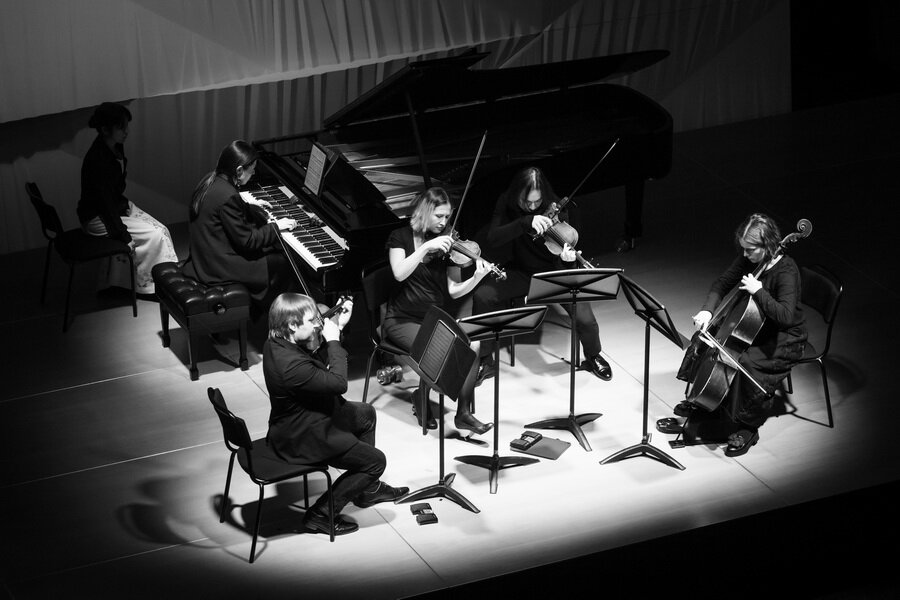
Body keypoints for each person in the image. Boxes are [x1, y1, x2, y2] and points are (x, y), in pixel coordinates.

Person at [263, 293, 408, 535]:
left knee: (366, 414)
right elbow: (339, 383)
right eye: (312, 320)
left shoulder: (276, 342)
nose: (317, 325)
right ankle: (320, 514)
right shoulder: (291, 366)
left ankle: (367, 490)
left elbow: (312, 364)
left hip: (306, 416)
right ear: (292, 325)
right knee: (376, 462)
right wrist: (333, 340)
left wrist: (337, 326)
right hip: (303, 435)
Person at [670, 213, 808, 456]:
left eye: (750, 250)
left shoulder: (787, 271)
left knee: (747, 362)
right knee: (707, 338)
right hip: (753, 328)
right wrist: (707, 310)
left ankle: (748, 427)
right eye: (743, 248)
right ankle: (708, 403)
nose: (745, 254)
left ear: (768, 245)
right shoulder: (752, 259)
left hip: (783, 338)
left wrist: (760, 291)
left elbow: (786, 316)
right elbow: (722, 283)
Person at [472, 166, 613, 380]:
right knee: (483, 296)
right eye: (526, 202)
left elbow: (564, 246)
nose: (531, 206)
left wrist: (566, 260)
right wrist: (524, 222)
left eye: (536, 202)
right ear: (517, 194)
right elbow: (493, 238)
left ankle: (593, 356)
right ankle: (485, 360)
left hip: (554, 272)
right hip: (522, 271)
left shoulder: (554, 206)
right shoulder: (507, 202)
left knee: (585, 318)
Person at [383, 187, 494, 435]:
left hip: (434, 319)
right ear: (425, 212)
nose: (444, 222)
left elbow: (454, 291)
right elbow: (399, 273)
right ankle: (421, 396)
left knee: (473, 344)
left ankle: (463, 414)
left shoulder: (447, 244)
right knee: (439, 349)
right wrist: (425, 248)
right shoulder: (400, 237)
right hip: (402, 320)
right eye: (439, 216)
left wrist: (476, 278)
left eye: (447, 216)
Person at [181, 140, 297, 318]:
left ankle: (261, 308)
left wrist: (250, 207)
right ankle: (268, 314)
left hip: (204, 256)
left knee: (270, 250)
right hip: (217, 266)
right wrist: (276, 227)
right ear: (239, 170)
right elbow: (248, 241)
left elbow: (226, 210)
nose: (254, 173)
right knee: (283, 262)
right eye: (252, 169)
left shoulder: (211, 180)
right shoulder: (228, 195)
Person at [78, 102, 178, 295]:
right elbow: (104, 203)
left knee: (162, 230)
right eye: (121, 127)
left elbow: (112, 194)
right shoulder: (98, 159)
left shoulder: (114, 147)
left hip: (114, 206)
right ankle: (151, 287)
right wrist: (123, 235)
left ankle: (155, 282)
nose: (126, 131)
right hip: (97, 216)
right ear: (105, 129)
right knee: (155, 235)